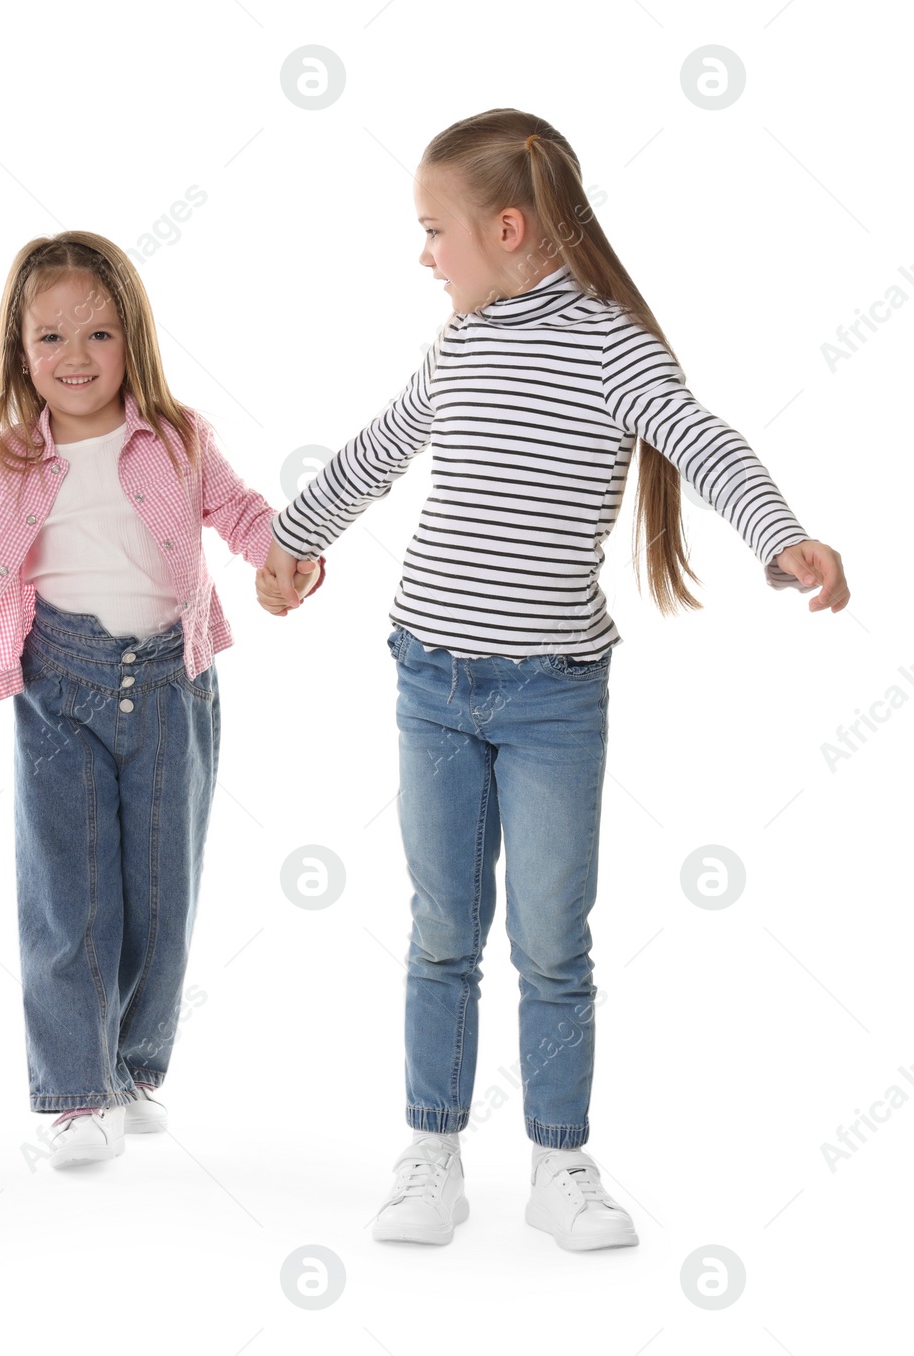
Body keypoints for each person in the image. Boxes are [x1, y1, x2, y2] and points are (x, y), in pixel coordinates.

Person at [256, 108, 850, 1251]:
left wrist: (780, 537)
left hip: (552, 699)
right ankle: (430, 1151)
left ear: (508, 228)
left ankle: (559, 1162)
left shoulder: (612, 349)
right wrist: (294, 540)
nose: (423, 255)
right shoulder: (458, 346)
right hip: (428, 675)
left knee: (550, 940)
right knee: (440, 929)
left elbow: (705, 442)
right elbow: (378, 450)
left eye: (435, 231)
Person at [0, 231, 326, 1168]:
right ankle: (75, 1092)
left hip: (171, 681)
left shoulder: (177, 437)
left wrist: (287, 558)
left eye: (98, 335)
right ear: (19, 353)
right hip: (57, 684)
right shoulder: (8, 459)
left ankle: (132, 1067)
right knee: (67, 894)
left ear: (132, 339)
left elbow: (244, 516)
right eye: (50, 339)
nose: (75, 358)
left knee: (158, 888)